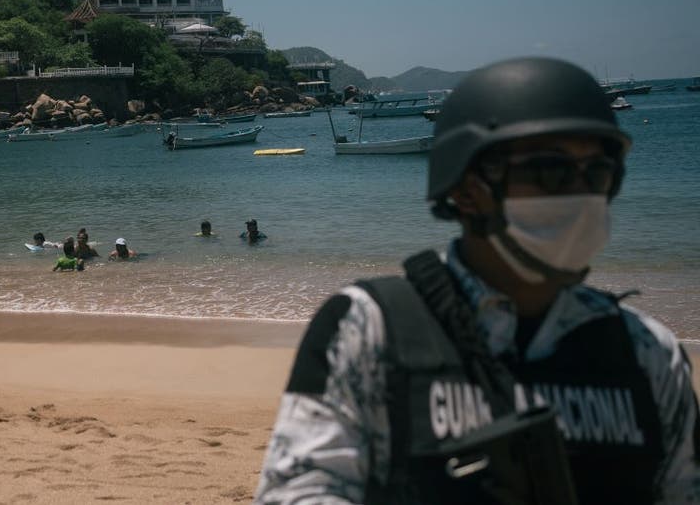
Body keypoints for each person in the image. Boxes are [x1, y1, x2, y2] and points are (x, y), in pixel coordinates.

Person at [254, 57, 700, 504]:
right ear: (466, 190)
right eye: (549, 171)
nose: (581, 195)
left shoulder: (648, 354)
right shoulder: (369, 331)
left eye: (599, 173)